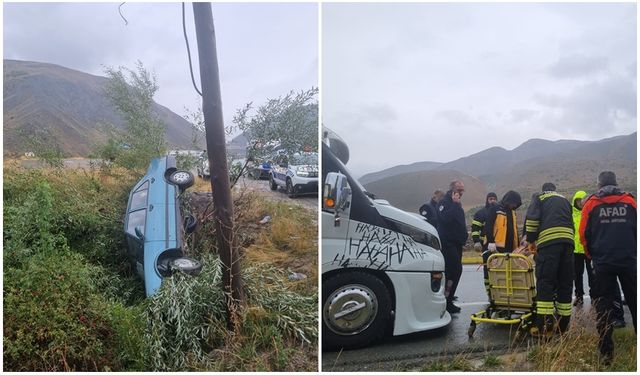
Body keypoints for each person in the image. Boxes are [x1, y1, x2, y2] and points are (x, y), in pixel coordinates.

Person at [579, 171, 636, 365]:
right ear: (616, 182)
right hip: (629, 260)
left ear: (599, 185)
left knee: (604, 307)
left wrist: (591, 256)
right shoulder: (630, 202)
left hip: (603, 263)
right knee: (636, 302)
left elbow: (584, 234)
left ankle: (606, 354)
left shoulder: (591, 203)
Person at [525, 182, 574, 336]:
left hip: (549, 245)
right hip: (568, 243)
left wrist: (531, 239)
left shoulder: (539, 197)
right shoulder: (565, 199)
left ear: (543, 189)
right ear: (555, 190)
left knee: (546, 282)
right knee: (565, 283)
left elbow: (532, 220)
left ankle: (545, 328)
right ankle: (563, 327)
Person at [437, 180, 468, 314]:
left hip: (456, 243)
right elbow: (445, 219)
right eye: (459, 190)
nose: (461, 193)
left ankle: (448, 300)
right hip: (447, 243)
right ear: (452, 190)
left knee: (455, 272)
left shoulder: (457, 204)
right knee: (453, 271)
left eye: (462, 190)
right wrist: (455, 205)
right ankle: (446, 301)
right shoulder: (444, 203)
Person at [471, 192, 499, 295]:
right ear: (487, 200)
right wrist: (477, 241)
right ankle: (489, 292)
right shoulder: (481, 213)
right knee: (487, 268)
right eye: (490, 199)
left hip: (499, 245)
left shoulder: (500, 212)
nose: (492, 201)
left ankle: (499, 291)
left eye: (494, 199)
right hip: (486, 245)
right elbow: (475, 228)